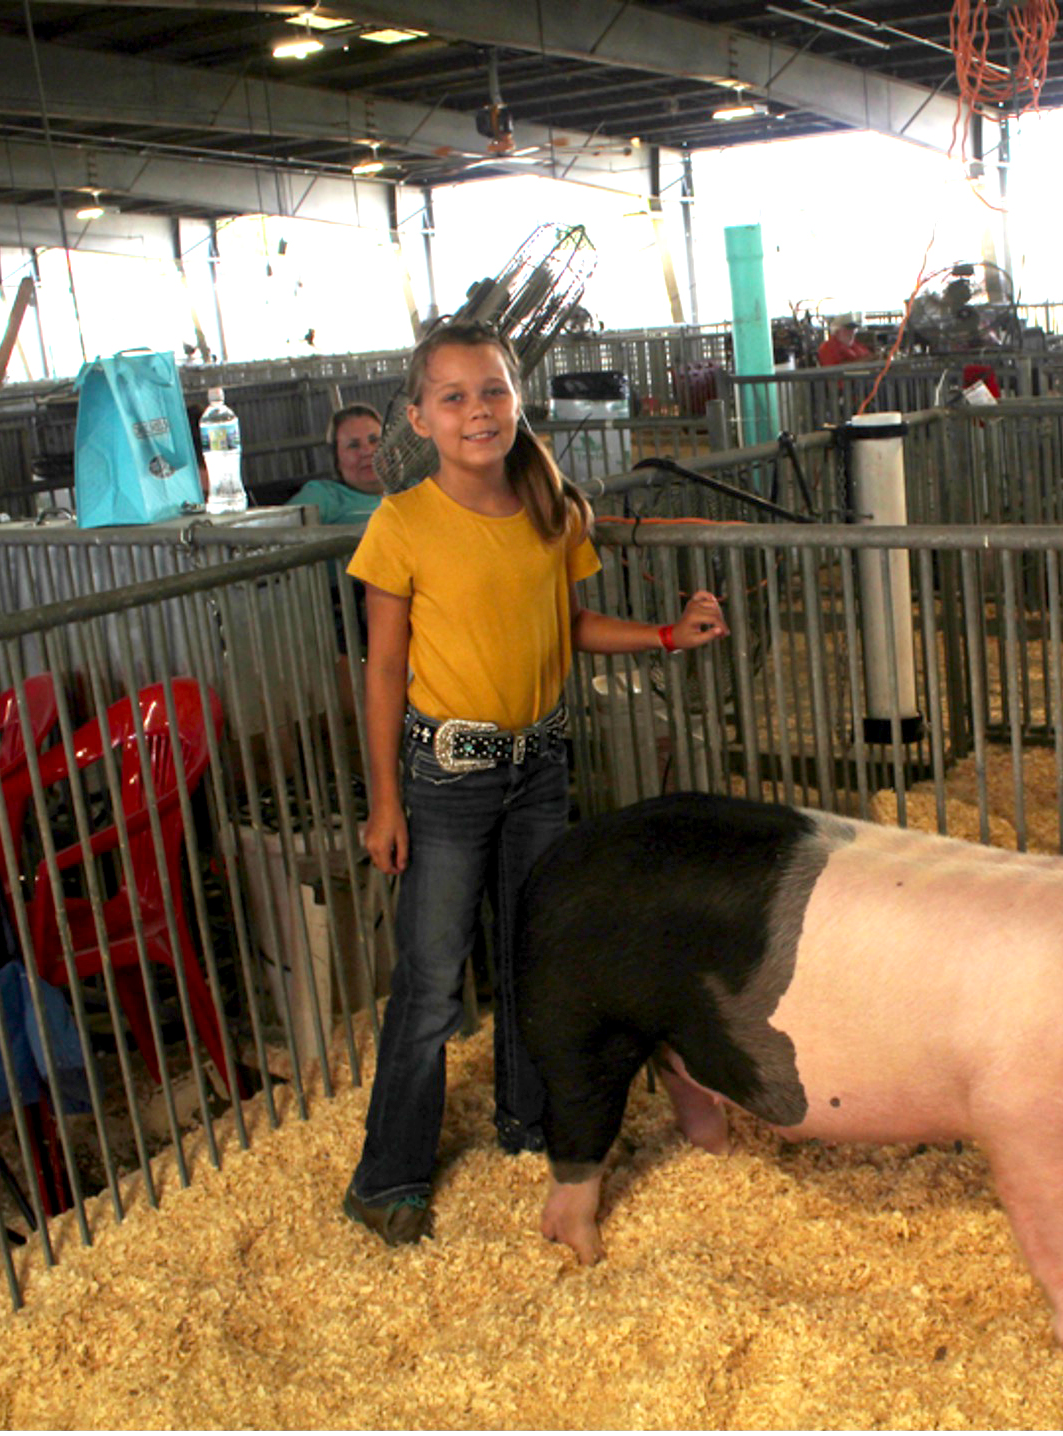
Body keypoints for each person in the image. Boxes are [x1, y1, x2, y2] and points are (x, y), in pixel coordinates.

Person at [341, 320, 728, 1245]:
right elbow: (384, 669)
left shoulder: (552, 506)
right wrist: (385, 800)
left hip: (538, 763)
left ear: (517, 399)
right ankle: (387, 1174)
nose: (477, 412)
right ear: (419, 418)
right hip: (447, 772)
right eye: (454, 397)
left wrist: (666, 637)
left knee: (532, 956)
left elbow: (571, 623)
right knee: (433, 979)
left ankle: (526, 1118)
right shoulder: (401, 523)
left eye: (493, 392)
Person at [288, 403, 386, 525]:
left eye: (374, 440)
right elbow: (273, 532)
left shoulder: (412, 485)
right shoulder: (324, 496)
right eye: (353, 445)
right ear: (337, 461)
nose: (368, 451)